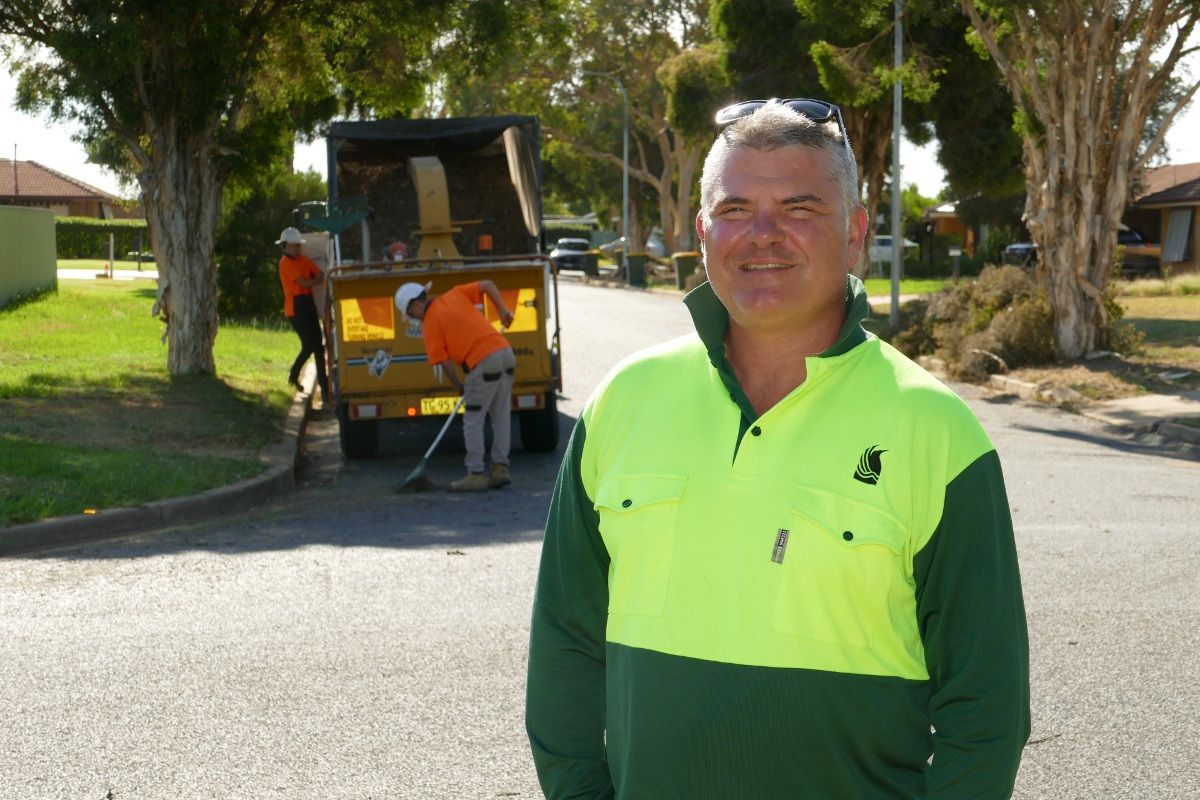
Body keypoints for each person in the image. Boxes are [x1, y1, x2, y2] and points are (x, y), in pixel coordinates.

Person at [525, 99, 1030, 798]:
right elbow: (565, 647)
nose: (762, 235)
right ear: (702, 232)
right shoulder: (621, 402)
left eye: (799, 209)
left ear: (854, 233)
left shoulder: (937, 430)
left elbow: (988, 704)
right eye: (734, 210)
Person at [395, 278, 516, 491]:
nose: (413, 318)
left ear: (415, 305)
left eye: (410, 314)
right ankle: (500, 469)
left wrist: (459, 385)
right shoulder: (454, 295)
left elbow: (444, 363)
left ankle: (476, 474)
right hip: (506, 353)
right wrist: (503, 311)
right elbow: (488, 284)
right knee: (501, 415)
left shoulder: (430, 324)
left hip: (483, 361)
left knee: (473, 418)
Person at [276, 226, 329, 406]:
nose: (298, 248)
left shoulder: (303, 260)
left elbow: (320, 276)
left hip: (308, 306)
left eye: (299, 245)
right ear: (286, 246)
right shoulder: (285, 263)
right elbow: (307, 281)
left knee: (316, 348)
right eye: (295, 245)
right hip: (296, 310)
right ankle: (297, 378)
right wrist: (314, 281)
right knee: (311, 346)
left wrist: (314, 281)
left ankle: (322, 386)